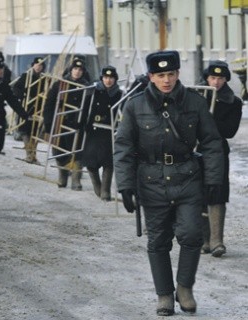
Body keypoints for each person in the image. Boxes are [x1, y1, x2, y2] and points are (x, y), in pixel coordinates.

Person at [114, 50, 224, 316]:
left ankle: (184, 288)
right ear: (151, 76)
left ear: (178, 74)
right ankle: (164, 295)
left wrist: (213, 179)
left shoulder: (194, 103)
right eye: (160, 75)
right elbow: (124, 146)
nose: (166, 80)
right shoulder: (135, 105)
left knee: (191, 235)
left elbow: (211, 142)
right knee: (159, 240)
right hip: (151, 181)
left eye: (171, 74)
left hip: (187, 177)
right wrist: (125, 185)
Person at [199, 60, 243, 257]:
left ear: (226, 80)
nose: (216, 82)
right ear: (206, 78)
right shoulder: (195, 97)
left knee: (216, 192)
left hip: (217, 151)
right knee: (197, 194)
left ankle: (217, 241)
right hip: (195, 150)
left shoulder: (233, 102)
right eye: (212, 77)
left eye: (221, 78)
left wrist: (208, 124)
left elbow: (230, 131)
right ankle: (203, 240)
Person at [43, 58, 90, 190]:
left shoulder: (87, 87)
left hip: (77, 125)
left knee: (77, 152)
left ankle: (76, 180)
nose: (77, 72)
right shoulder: (60, 85)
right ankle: (62, 176)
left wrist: (83, 122)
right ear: (70, 70)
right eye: (75, 69)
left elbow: (89, 108)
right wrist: (48, 123)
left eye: (80, 70)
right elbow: (49, 105)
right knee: (59, 150)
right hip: (60, 123)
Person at [83, 66, 122, 200]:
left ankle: (105, 191)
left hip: (110, 131)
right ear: (102, 78)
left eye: (111, 78)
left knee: (108, 162)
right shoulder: (94, 91)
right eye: (106, 77)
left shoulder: (119, 94)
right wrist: (83, 125)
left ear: (115, 79)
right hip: (94, 130)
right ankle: (97, 186)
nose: (108, 80)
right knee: (91, 162)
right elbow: (85, 109)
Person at [13, 56, 46, 163]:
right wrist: (23, 95)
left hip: (38, 107)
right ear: (33, 65)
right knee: (25, 131)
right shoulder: (26, 76)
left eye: (40, 65)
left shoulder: (44, 78)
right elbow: (16, 87)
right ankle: (29, 154)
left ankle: (33, 155)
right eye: (36, 65)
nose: (38, 67)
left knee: (35, 131)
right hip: (27, 107)